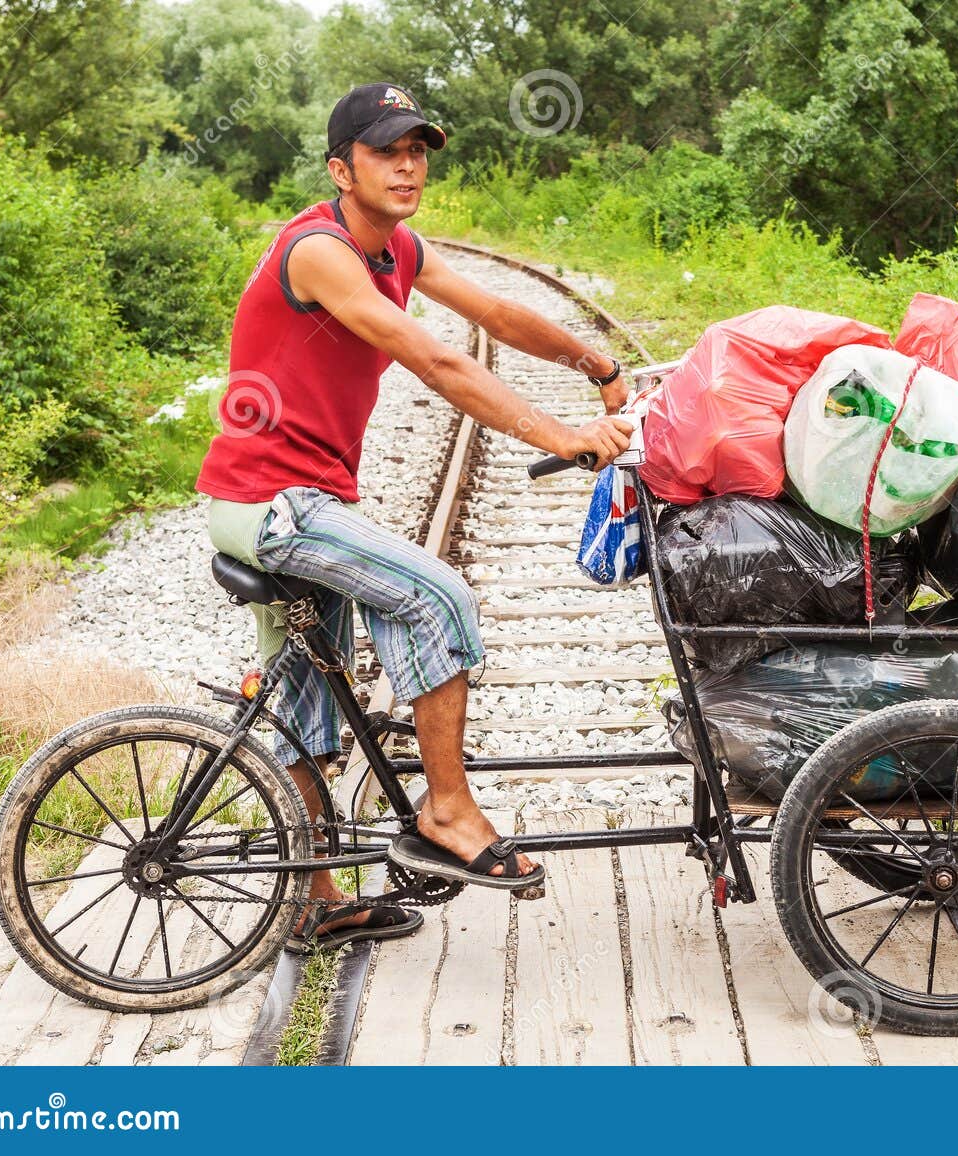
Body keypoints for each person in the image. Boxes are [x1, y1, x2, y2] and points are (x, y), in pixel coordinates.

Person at [195, 82, 633, 952]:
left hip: (298, 498)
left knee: (310, 700)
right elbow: (435, 359)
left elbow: (495, 316)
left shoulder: (398, 249)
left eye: (418, 149)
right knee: (437, 598)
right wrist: (565, 436)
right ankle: (447, 812)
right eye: (387, 150)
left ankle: (316, 900)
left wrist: (594, 359)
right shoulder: (320, 252)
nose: (407, 164)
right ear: (339, 168)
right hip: (271, 501)